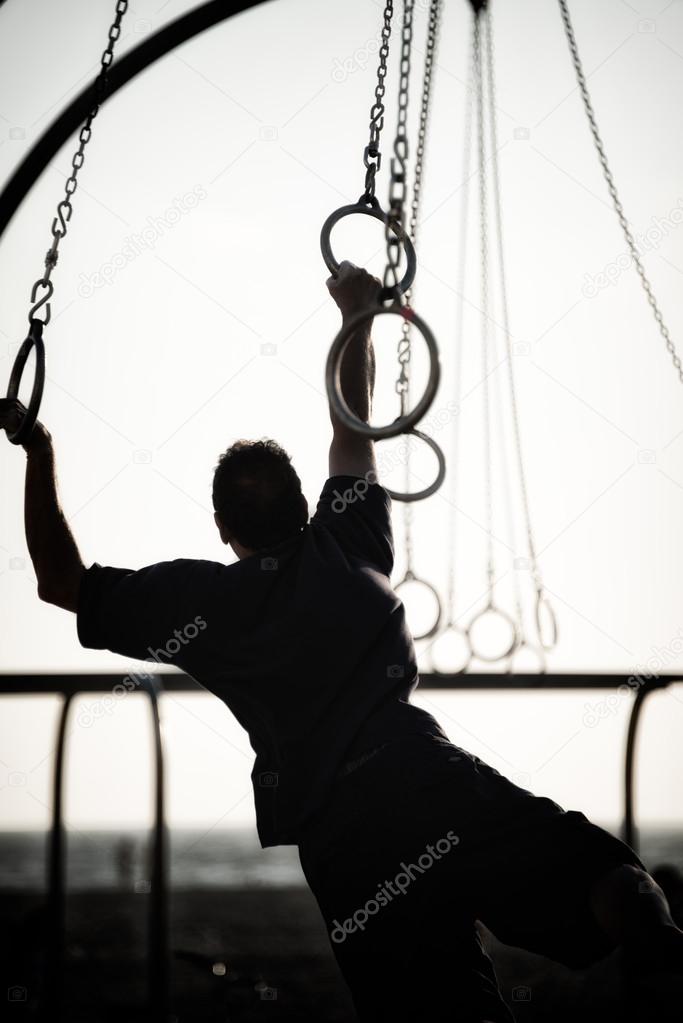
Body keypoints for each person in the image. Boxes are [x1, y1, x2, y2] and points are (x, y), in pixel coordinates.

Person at [1, 261, 681, 1021]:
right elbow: (350, 423)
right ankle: (660, 949)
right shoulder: (346, 540)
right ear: (305, 503)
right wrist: (355, 309)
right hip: (428, 773)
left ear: (223, 530)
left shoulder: (201, 600)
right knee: (602, 874)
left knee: (434, 1012)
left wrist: (40, 450)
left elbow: (60, 580)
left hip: (342, 835)